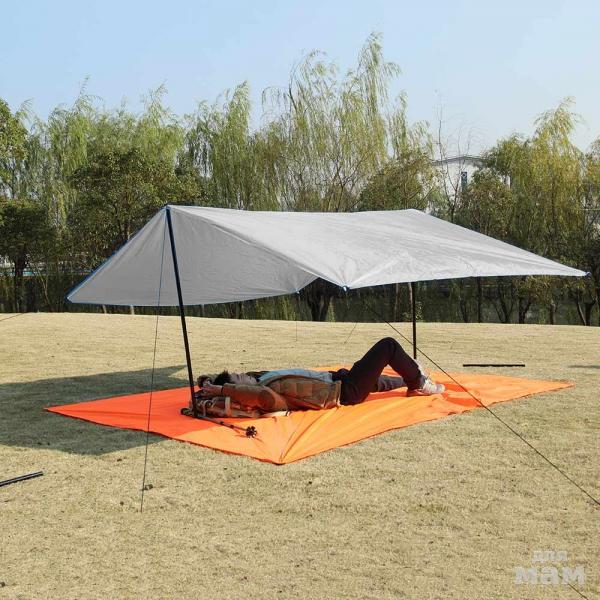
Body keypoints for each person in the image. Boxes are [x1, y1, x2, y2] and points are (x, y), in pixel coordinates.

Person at [195, 337, 445, 415]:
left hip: (337, 379)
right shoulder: (269, 395)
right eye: (237, 378)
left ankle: (410, 379)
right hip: (343, 392)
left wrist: (207, 381)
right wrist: (222, 391)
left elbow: (243, 380)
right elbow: (259, 396)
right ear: (238, 390)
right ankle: (419, 382)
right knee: (387, 346)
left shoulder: (259, 378)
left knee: (380, 381)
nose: (241, 375)